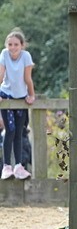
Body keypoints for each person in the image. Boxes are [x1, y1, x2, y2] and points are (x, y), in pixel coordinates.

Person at [0, 29, 36, 180]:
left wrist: (31, 94)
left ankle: (19, 166)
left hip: (21, 97)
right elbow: (0, 75)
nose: (13, 48)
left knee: (20, 131)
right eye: (10, 44)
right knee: (10, 130)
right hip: (6, 95)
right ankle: (7, 166)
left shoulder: (26, 56)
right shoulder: (4, 54)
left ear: (22, 45)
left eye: (16, 44)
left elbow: (27, 78)